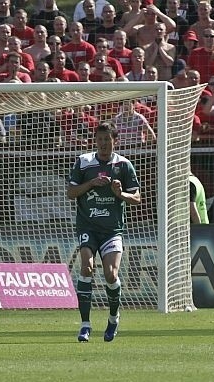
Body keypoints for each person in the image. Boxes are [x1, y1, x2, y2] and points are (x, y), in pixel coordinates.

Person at [67, 121, 141, 343]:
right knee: (86, 267)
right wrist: (91, 183)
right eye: (100, 139)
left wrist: (120, 194)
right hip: (88, 226)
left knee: (111, 275)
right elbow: (71, 193)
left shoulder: (124, 165)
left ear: (114, 141)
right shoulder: (84, 162)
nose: (103, 144)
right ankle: (85, 325)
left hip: (112, 230)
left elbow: (137, 198)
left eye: (107, 139)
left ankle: (113, 317)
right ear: (95, 141)